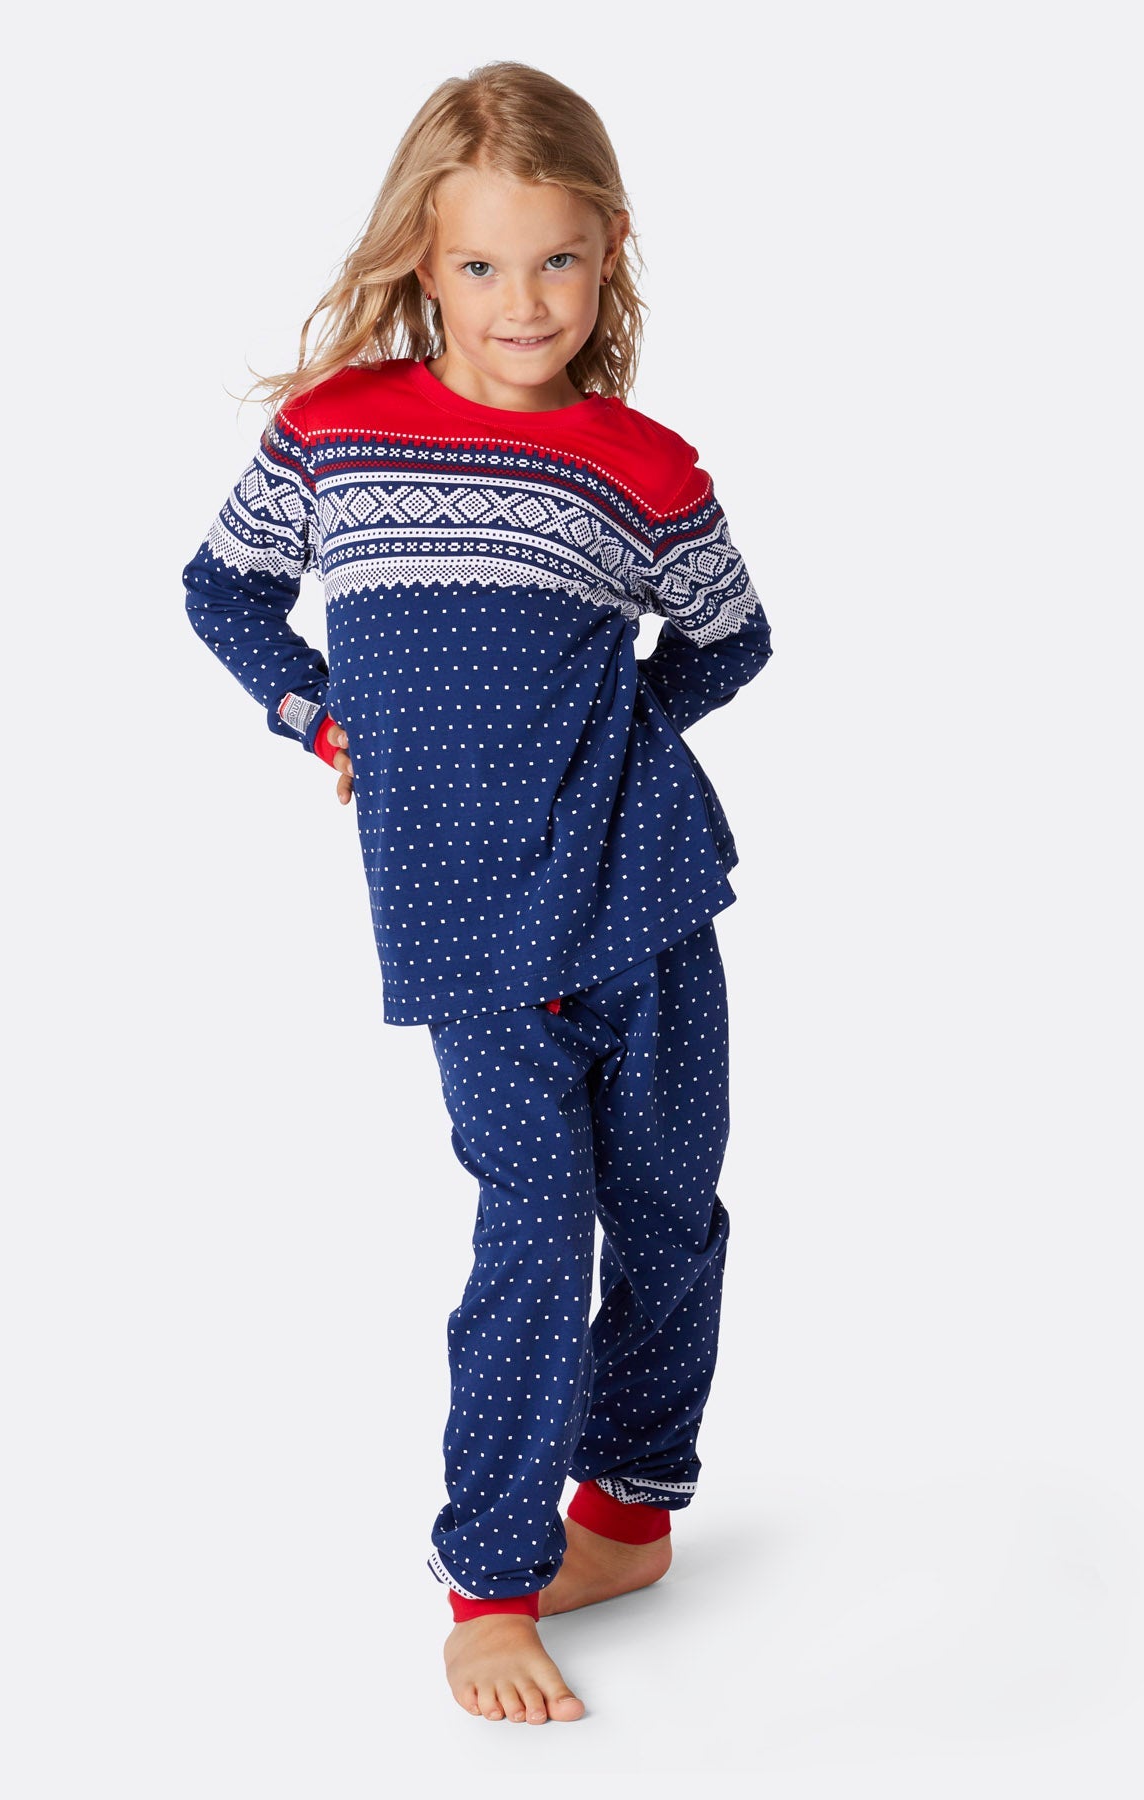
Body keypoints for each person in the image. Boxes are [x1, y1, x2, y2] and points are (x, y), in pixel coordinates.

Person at [180, 61, 773, 1725]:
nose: (526, 302)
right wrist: (320, 718)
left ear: (610, 250)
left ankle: (630, 1514)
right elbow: (221, 591)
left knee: (669, 1209)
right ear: (424, 264)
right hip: (466, 924)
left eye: (559, 260)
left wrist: (615, 735)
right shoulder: (335, 436)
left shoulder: (641, 466)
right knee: (530, 1228)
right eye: (483, 265)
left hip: (648, 893)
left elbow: (733, 634)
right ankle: (492, 1582)